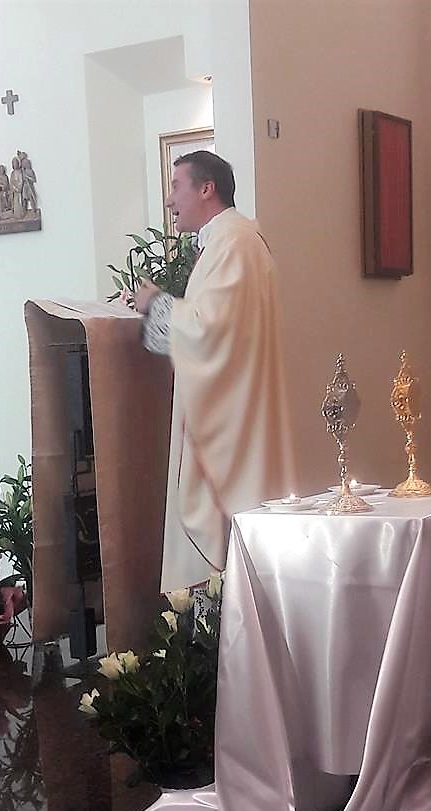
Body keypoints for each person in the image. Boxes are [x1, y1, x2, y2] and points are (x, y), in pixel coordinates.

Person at [135, 150, 295, 593]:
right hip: (235, 417)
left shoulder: (234, 242)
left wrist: (156, 304)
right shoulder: (227, 241)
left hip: (234, 429)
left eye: (176, 187)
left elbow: (210, 333)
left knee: (229, 573)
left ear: (207, 189)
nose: (170, 200)